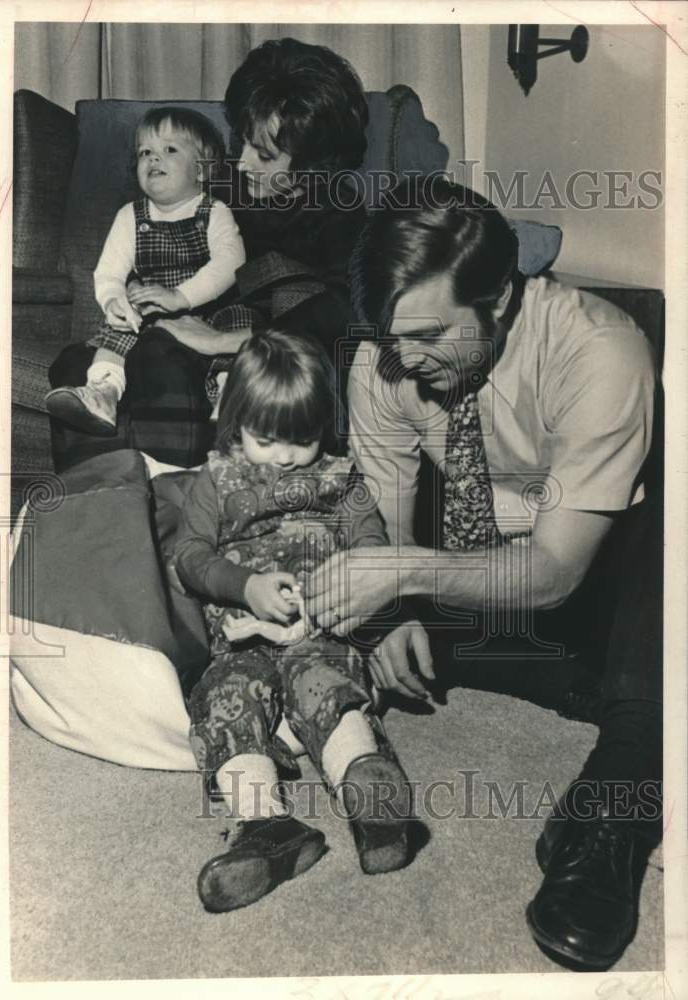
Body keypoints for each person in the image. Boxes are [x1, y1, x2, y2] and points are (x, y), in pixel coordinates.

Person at [305, 177, 663, 970]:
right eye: (392, 335)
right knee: (344, 631)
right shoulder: (385, 357)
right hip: (473, 563)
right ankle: (614, 700)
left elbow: (558, 569)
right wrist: (387, 614)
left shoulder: (601, 350)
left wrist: (399, 571)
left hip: (597, 573)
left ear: (498, 299)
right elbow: (386, 516)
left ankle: (612, 811)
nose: (403, 358)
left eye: (430, 335)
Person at [171, 329, 412, 913]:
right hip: (243, 640)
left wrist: (347, 588)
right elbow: (190, 556)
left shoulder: (341, 477)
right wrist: (245, 587)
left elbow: (370, 545)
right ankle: (266, 828)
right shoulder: (219, 478)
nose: (284, 456)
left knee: (326, 684)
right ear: (236, 425)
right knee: (227, 702)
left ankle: (368, 792)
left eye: (301, 441)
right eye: (265, 440)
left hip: (320, 631)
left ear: (323, 429)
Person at [112, 37, 370, 466]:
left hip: (276, 365)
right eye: (242, 142)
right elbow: (142, 240)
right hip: (189, 335)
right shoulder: (218, 186)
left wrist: (227, 341)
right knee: (127, 356)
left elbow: (348, 310)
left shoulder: (340, 214)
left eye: (265, 155)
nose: (243, 162)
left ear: (311, 165)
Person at [46, 105, 248, 436]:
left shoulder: (215, 211)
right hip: (151, 313)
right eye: (145, 152)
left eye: (169, 150)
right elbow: (109, 272)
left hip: (212, 311)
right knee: (121, 326)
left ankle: (230, 399)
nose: (153, 159)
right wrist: (113, 300)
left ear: (202, 170)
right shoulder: (130, 215)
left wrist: (181, 297)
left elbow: (231, 263)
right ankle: (103, 394)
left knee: (238, 335)